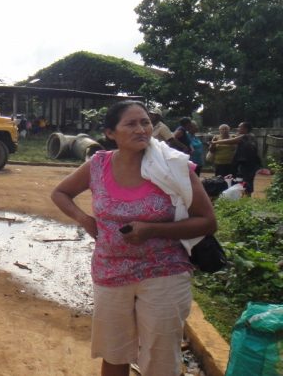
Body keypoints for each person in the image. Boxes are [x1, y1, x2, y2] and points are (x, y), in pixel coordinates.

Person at [50, 100, 216, 376]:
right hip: (111, 273)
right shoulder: (98, 165)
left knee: (160, 360)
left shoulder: (172, 166)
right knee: (114, 353)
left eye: (145, 122)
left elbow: (208, 221)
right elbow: (60, 193)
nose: (141, 129)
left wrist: (153, 230)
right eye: (131, 124)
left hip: (164, 273)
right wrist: (87, 221)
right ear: (110, 133)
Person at [212, 121, 261, 196]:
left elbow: (231, 141)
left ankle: (246, 197)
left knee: (246, 181)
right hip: (250, 164)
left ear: (245, 128)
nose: (238, 129)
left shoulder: (246, 136)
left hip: (247, 164)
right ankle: (246, 196)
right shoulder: (251, 136)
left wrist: (215, 142)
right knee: (245, 180)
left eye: (239, 127)